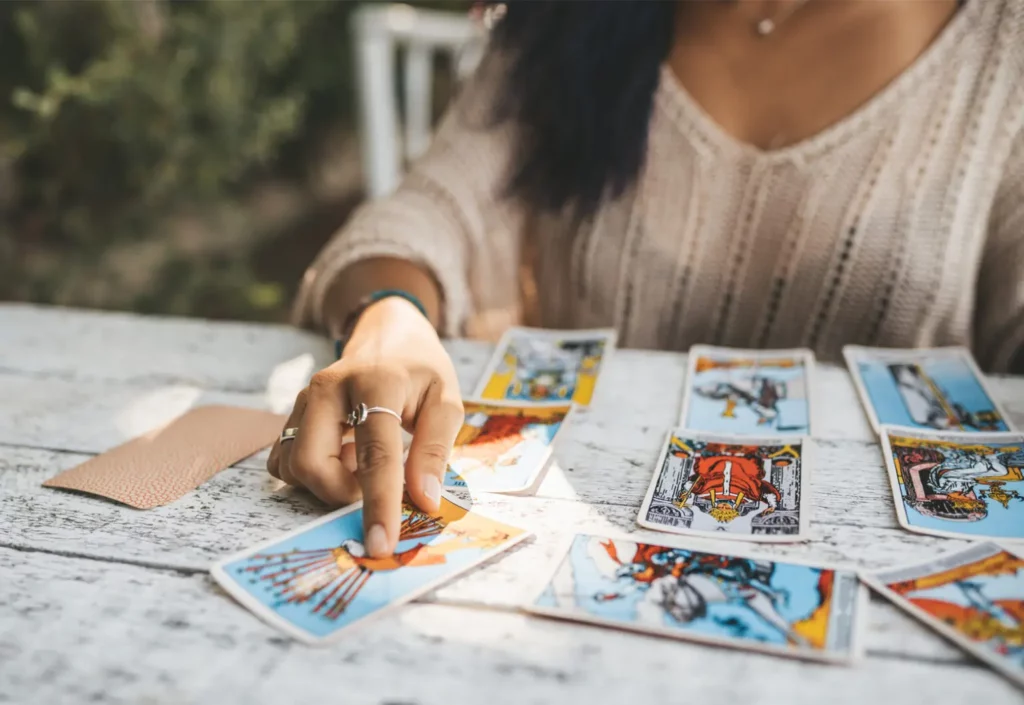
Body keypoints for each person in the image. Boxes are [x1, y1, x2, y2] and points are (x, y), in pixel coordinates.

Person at [268, 0, 1024, 557]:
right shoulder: (562, 21)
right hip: (567, 556)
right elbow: (425, 213)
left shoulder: (1002, 47)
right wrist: (390, 313)